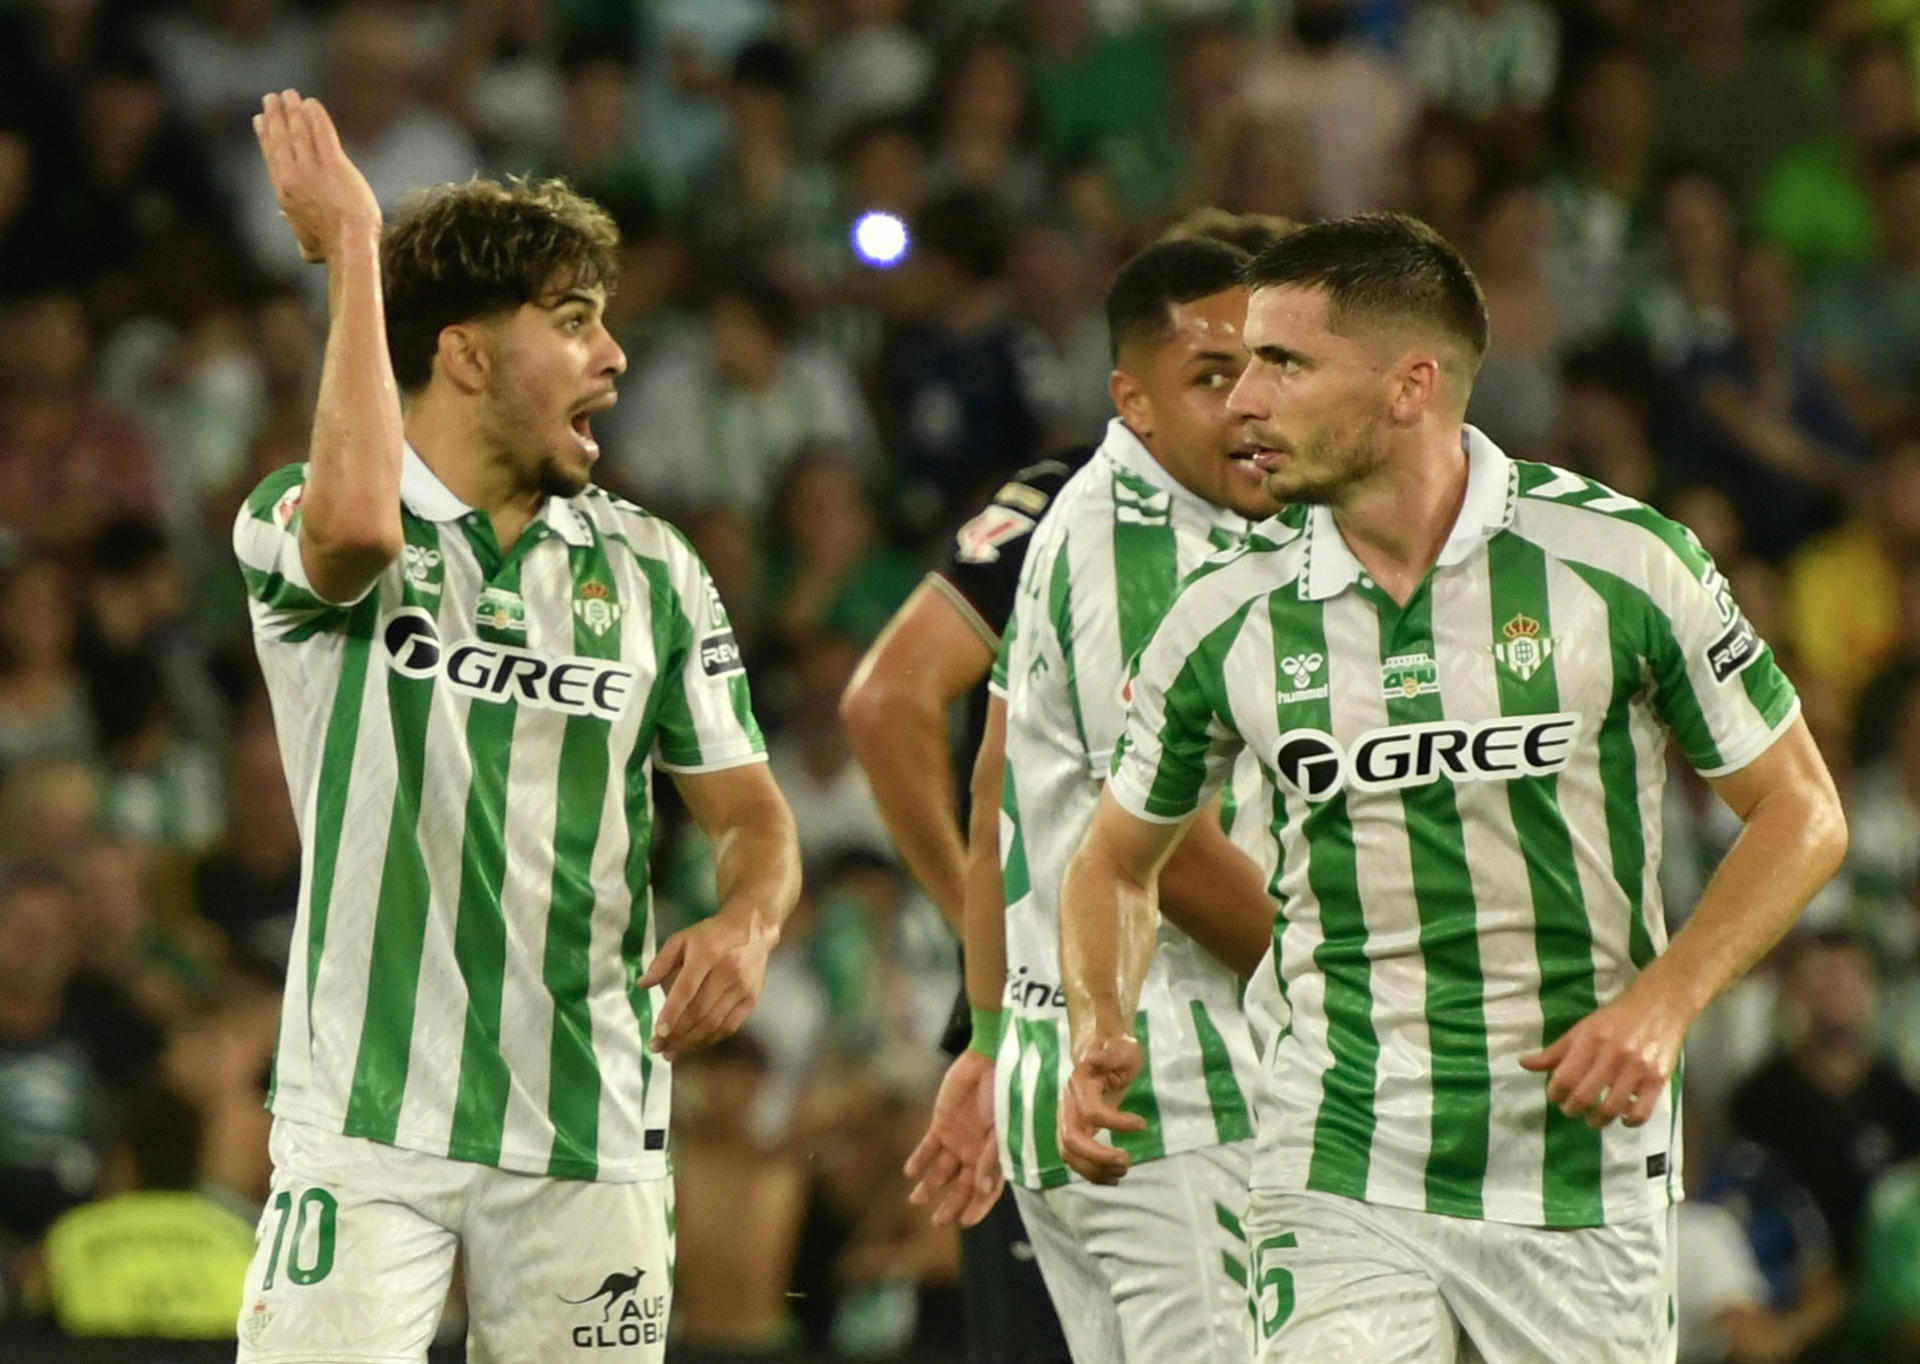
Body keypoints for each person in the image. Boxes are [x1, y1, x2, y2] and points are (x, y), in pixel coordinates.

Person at [1057, 212, 1848, 1361]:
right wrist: (1097, 1022)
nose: (1244, 402)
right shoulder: (1221, 615)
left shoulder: (1622, 561)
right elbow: (1115, 859)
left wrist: (1664, 1002)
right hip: (1336, 1148)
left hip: (1577, 1161)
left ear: (1409, 386)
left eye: (1284, 363)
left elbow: (1804, 812)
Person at [231, 91, 801, 1362]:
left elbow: (751, 808)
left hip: (589, 1128)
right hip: (367, 1122)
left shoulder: (653, 567)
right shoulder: (297, 513)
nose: (614, 356)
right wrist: (356, 256)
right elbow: (360, 531)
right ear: (467, 353)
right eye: (574, 320)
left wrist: (748, 919)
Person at [904, 236, 1282, 1363]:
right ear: (1135, 396)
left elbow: (991, 792)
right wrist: (1369, 993)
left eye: (1264, 368)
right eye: (1211, 376)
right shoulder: (1151, 552)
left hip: (1062, 1086)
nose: (1249, 402)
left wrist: (989, 1031)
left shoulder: (1088, 516)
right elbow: (1174, 852)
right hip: (1171, 1092)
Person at [840, 453, 1082, 1364]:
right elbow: (886, 701)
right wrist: (990, 933)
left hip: (1049, 1020)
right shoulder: (1068, 501)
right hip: (1061, 1021)